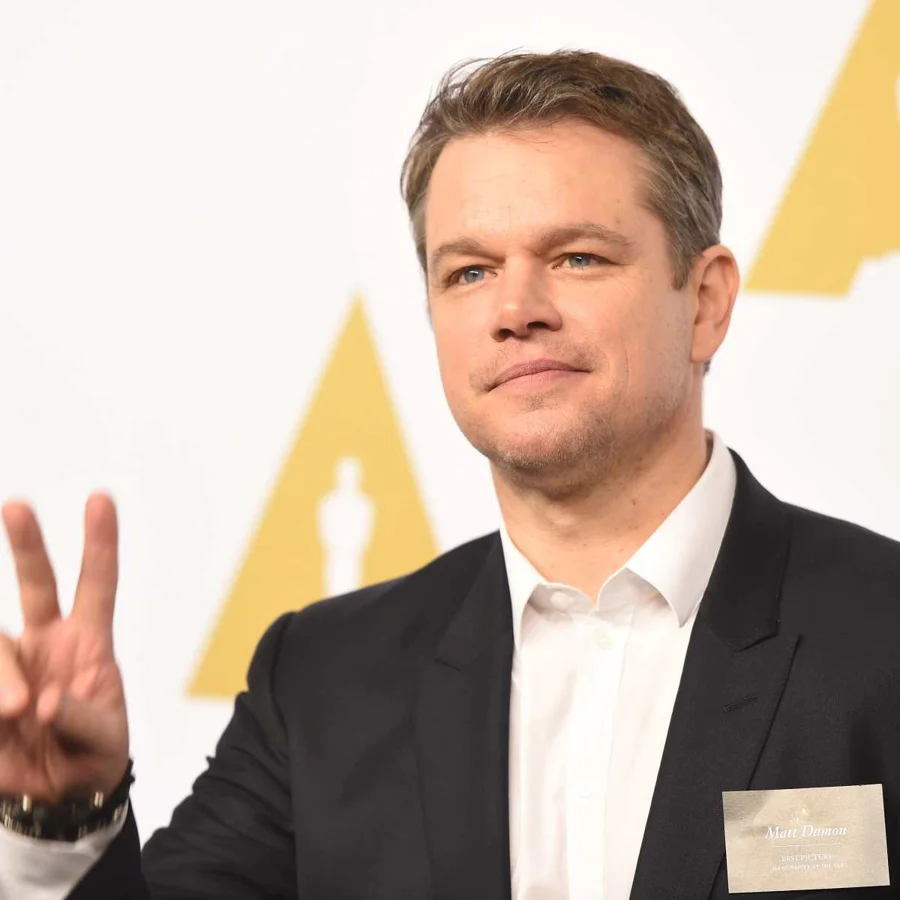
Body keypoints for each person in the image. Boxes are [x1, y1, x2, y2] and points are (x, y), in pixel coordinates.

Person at [1, 49, 899, 900]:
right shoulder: (321, 680)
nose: (515, 310)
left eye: (577, 257)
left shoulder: (882, 633)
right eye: (470, 272)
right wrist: (61, 822)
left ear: (704, 303)